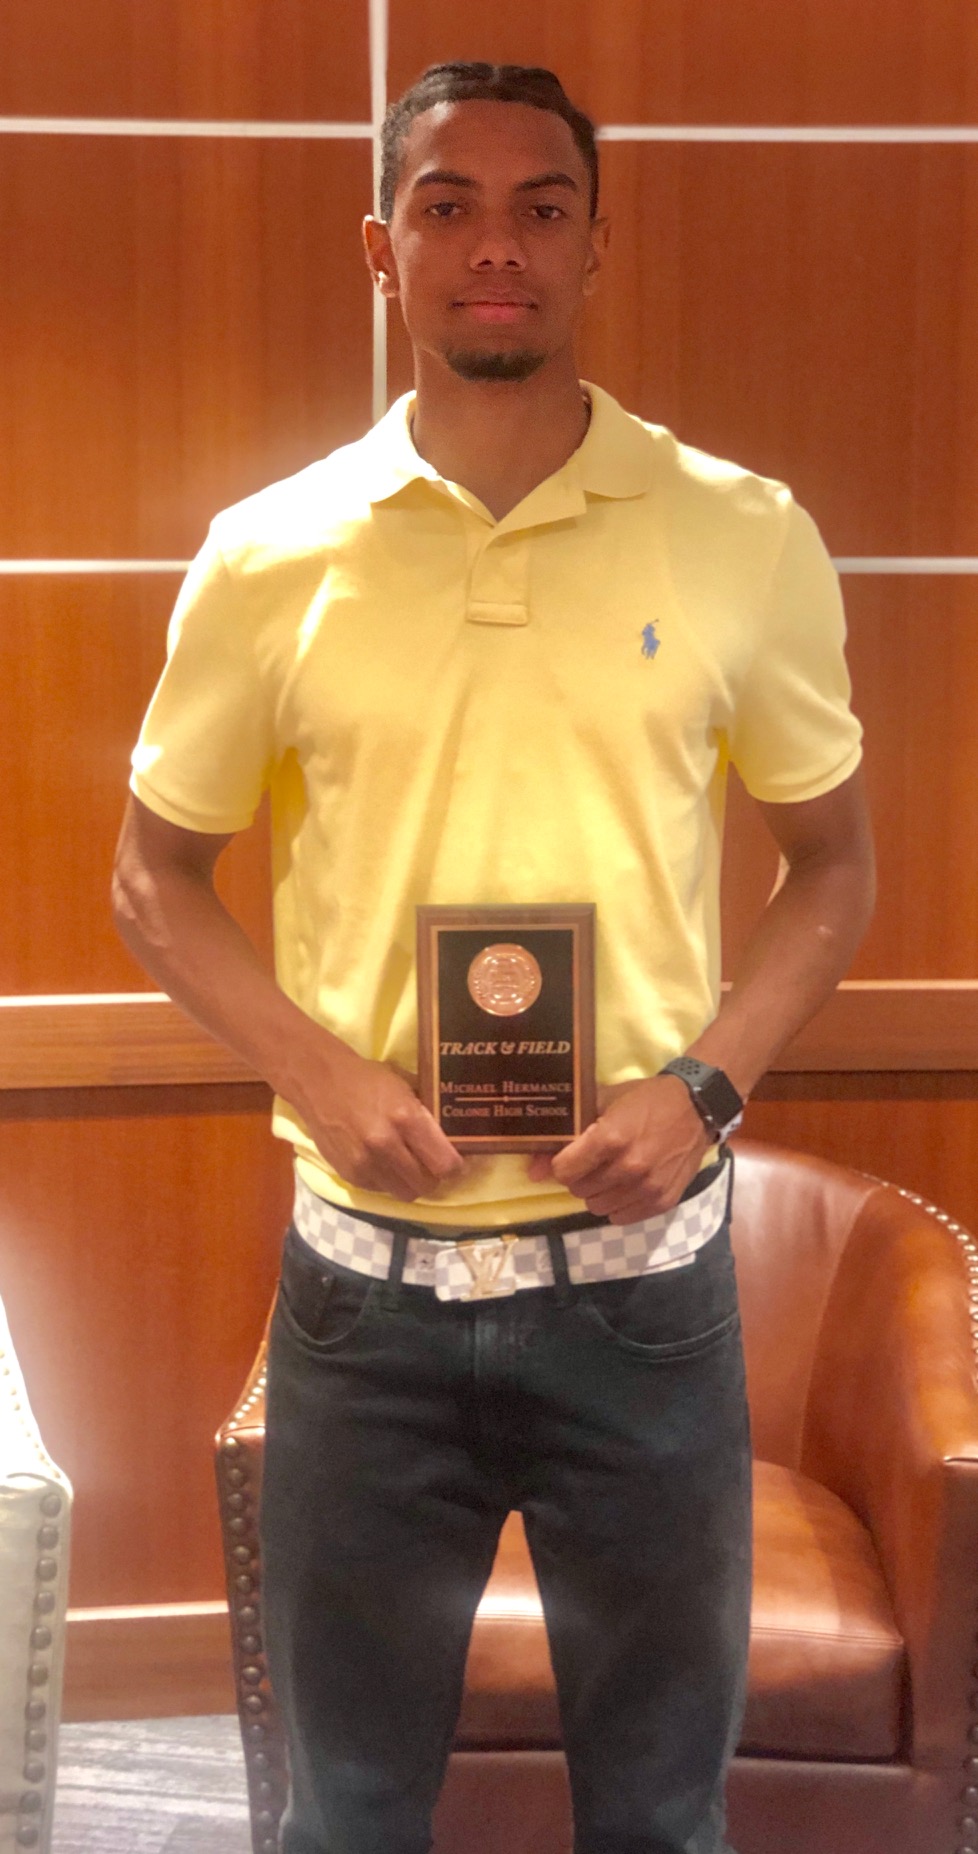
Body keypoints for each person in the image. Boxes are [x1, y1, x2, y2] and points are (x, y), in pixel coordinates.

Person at [113, 61, 875, 1854]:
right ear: (381, 250)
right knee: (348, 1813)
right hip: (364, 1303)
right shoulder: (266, 554)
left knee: (659, 1818)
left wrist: (704, 1088)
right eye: (448, 204)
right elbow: (155, 877)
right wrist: (321, 1071)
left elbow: (833, 870)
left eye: (542, 206)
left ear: (597, 245)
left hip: (644, 1293)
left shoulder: (741, 533)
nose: (496, 247)